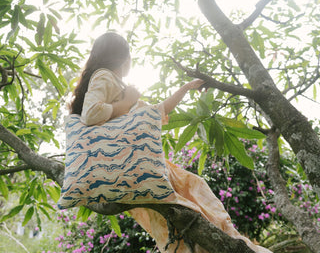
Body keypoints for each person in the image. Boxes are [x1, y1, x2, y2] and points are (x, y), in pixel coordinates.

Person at [70, 32, 271, 253]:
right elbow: (90, 114)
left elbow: (158, 112)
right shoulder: (105, 77)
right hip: (139, 170)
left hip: (140, 170)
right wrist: (127, 102)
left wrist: (186, 88)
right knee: (196, 203)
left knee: (186, 213)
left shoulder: (116, 83)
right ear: (124, 58)